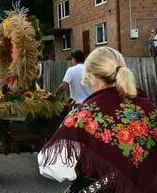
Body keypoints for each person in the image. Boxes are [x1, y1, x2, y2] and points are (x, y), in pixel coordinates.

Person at [38, 47, 157, 193]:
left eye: (87, 80)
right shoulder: (150, 108)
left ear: (93, 77)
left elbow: (52, 167)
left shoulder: (85, 114)